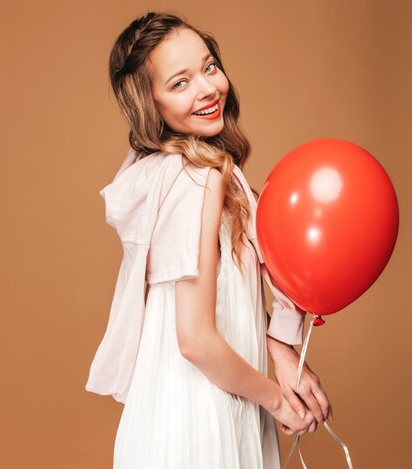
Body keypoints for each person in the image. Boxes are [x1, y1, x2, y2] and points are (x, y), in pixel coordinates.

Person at [85, 11, 333, 468]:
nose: (206, 89)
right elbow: (196, 339)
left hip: (188, 407)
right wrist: (277, 401)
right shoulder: (196, 180)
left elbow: (228, 295)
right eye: (179, 83)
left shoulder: (176, 174)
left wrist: (281, 353)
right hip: (201, 417)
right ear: (150, 105)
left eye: (209, 67)